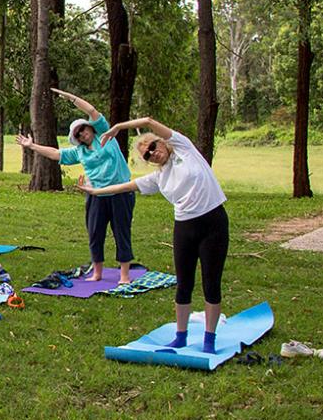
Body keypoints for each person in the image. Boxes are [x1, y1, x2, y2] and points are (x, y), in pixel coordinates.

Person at [77, 117, 228, 354]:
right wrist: (95, 191)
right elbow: (125, 186)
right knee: (184, 284)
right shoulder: (159, 177)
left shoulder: (184, 149)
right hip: (185, 228)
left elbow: (148, 121)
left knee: (211, 283)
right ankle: (180, 337)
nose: (152, 154)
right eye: (147, 155)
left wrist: (117, 127)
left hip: (213, 222)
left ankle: (209, 340)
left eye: (153, 148)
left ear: (162, 143)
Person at [17, 88, 136, 283]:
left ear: (90, 128)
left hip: (120, 192)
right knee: (95, 233)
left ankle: (124, 275)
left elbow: (92, 110)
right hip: (96, 194)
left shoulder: (104, 135)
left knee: (121, 232)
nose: (82, 134)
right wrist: (32, 146)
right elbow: (56, 154)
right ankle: (97, 273)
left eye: (83, 129)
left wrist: (70, 98)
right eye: (78, 134)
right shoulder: (79, 151)